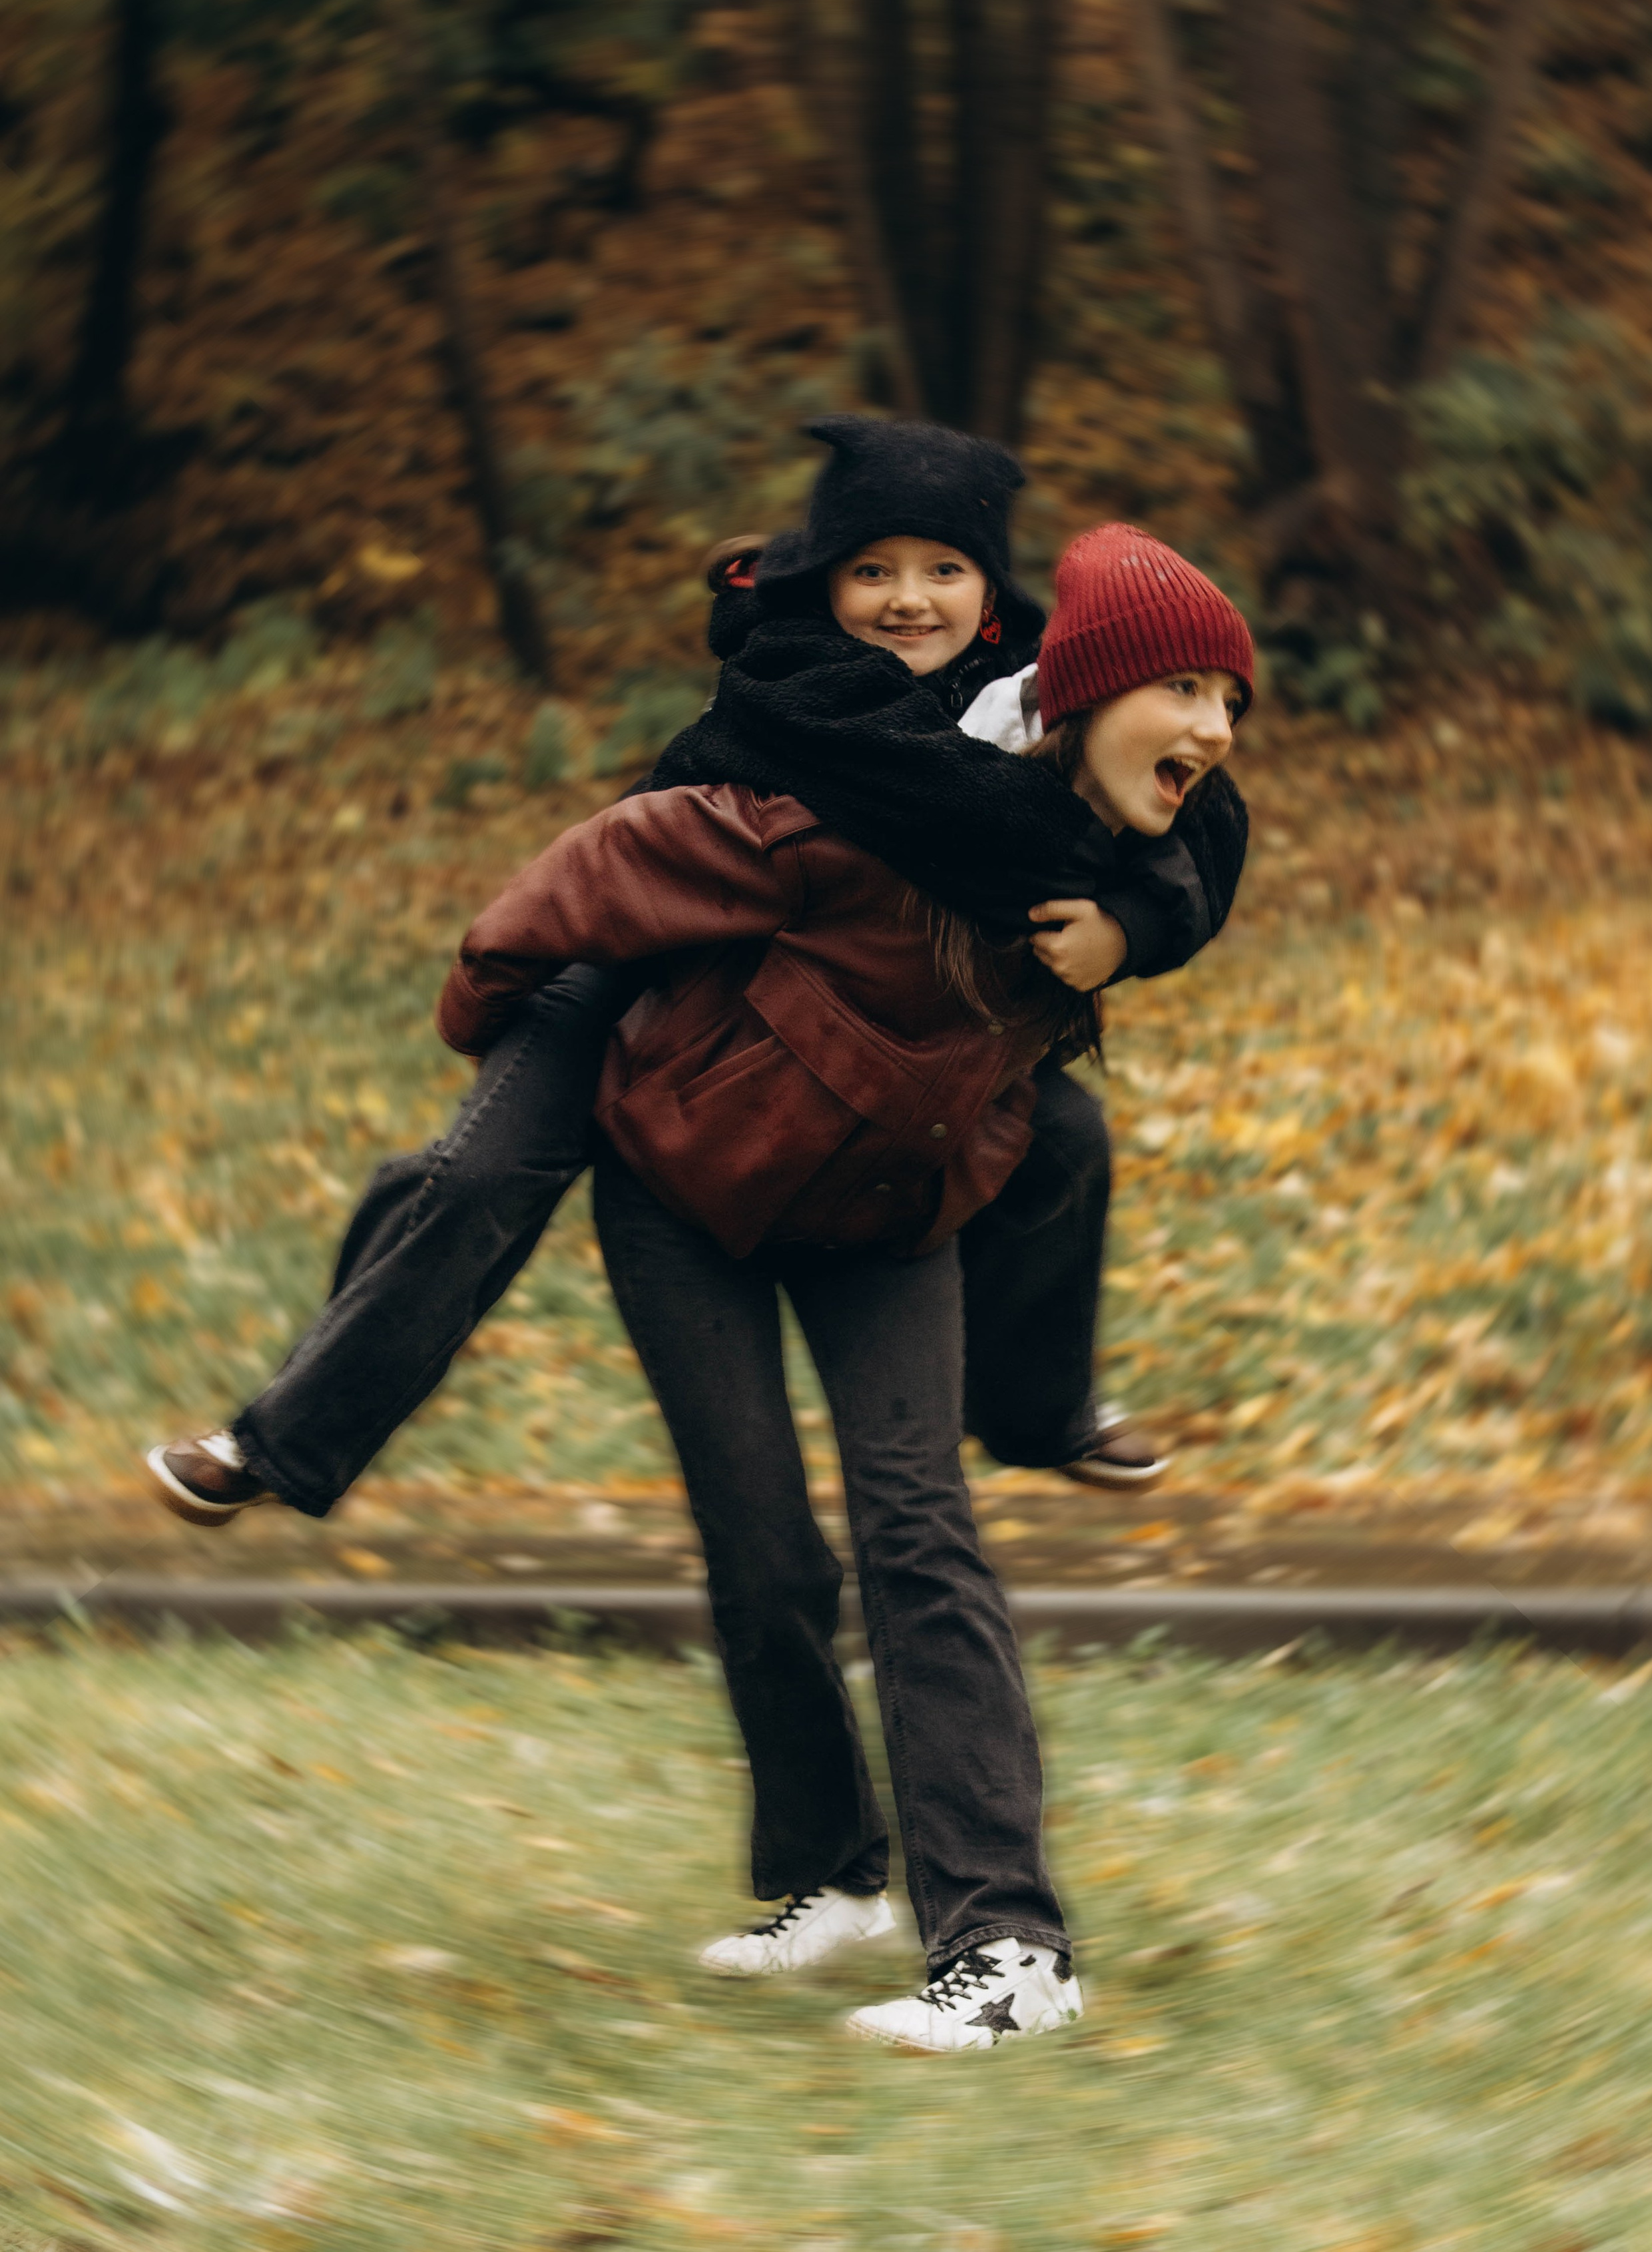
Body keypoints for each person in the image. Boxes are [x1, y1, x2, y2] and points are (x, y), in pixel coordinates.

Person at [409, 516, 1253, 2050]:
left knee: (916, 1534)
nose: (1209, 727)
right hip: (684, 1169)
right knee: (760, 1547)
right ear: (1083, 689)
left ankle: (1007, 1950)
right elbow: (627, 855)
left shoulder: (1139, 835)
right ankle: (831, 1877)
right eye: (1183, 689)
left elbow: (1208, 853)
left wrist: (1129, 925)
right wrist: (491, 996)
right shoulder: (879, 795)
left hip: (884, 1205)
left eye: (1228, 701)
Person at [144, 422, 1245, 1533]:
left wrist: (1131, 921)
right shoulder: (802, 676)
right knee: (482, 1180)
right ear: (825, 585)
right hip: (627, 964)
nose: (909, 600)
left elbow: (1208, 813)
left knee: (1065, 1140)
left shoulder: (1009, 688)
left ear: (989, 593)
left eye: (943, 571)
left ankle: (1042, 1415)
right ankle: (274, 1439)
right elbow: (953, 802)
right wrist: (1080, 835)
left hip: (781, 1004)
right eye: (873, 572)